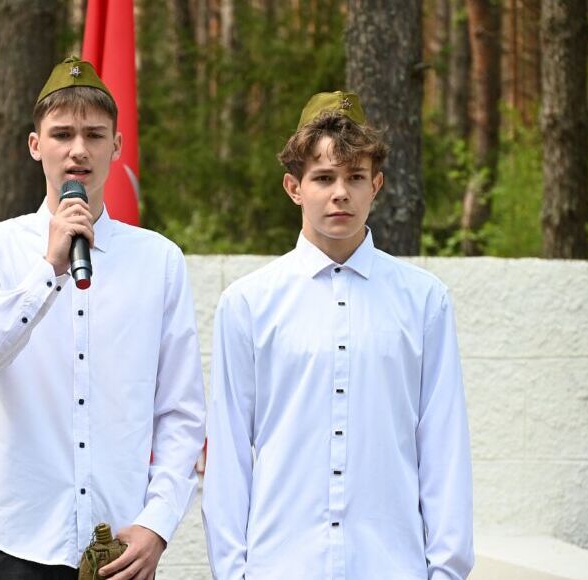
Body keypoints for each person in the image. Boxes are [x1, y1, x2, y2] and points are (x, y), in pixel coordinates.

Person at [0, 56, 206, 580]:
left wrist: (157, 524)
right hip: (12, 539)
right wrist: (48, 271)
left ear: (117, 146)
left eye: (94, 135)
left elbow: (181, 414)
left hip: (118, 545)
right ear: (35, 145)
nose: (78, 149)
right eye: (62, 134)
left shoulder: (159, 260)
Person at [201, 91, 473, 579]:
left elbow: (443, 445)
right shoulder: (248, 304)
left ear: (377, 186)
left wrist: (446, 571)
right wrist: (232, 572)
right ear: (294, 187)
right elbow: (229, 452)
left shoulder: (424, 301)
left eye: (355, 177)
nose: (340, 193)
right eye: (324, 177)